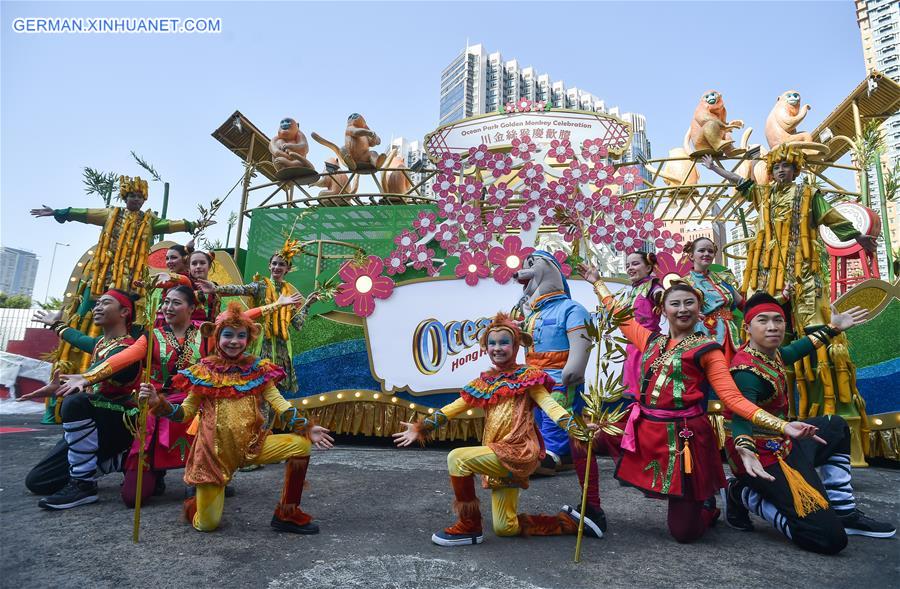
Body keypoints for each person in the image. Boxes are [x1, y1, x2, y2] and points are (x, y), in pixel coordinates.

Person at [580, 263, 823, 543]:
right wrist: (596, 283)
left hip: (684, 438)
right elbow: (620, 316)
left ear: (699, 310)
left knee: (685, 534)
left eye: (689, 303)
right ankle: (591, 510)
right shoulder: (650, 341)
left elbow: (732, 398)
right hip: (643, 428)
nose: (682, 309)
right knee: (581, 437)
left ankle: (708, 506)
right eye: (675, 304)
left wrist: (782, 425)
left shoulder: (708, 350)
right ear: (663, 310)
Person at [58, 286, 302, 507]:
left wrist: (278, 304)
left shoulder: (206, 332)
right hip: (158, 406)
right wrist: (88, 378)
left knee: (214, 420)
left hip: (196, 404)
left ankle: (210, 474)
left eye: (175, 303)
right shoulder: (151, 336)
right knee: (132, 499)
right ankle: (150, 470)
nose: (168, 307)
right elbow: (125, 357)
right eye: (165, 302)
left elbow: (241, 320)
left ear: (191, 308)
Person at [703, 147, 876, 428]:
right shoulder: (764, 194)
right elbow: (741, 183)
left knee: (813, 331)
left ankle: (825, 409)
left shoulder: (808, 195)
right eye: (777, 166)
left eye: (787, 166)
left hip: (804, 272)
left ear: (796, 170)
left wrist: (857, 236)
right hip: (768, 273)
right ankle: (771, 409)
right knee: (769, 336)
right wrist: (715, 169)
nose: (782, 170)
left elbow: (831, 217)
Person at [393, 312, 595, 545]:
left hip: (517, 451)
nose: (497, 348)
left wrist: (575, 427)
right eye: (492, 343)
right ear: (485, 347)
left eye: (504, 343)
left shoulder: (528, 378)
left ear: (516, 345)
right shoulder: (485, 383)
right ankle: (568, 522)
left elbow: (550, 406)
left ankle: (469, 526)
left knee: (457, 458)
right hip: (496, 452)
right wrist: (422, 427)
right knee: (505, 527)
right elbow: (454, 407)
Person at [138, 302, 334, 534]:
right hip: (213, 458)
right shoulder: (203, 371)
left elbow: (279, 402)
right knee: (207, 525)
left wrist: (305, 427)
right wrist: (158, 404)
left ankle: (287, 513)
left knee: (301, 446)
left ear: (248, 339)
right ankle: (196, 503)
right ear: (217, 336)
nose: (234, 341)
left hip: (252, 446)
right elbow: (185, 414)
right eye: (228, 335)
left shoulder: (258, 369)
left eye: (241, 336)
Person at [723, 292, 896, 553]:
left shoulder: (772, 354)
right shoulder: (746, 373)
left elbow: (796, 349)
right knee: (828, 539)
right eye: (763, 321)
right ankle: (741, 493)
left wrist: (833, 327)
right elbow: (741, 413)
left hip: (784, 443)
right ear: (747, 328)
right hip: (760, 460)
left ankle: (844, 511)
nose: (773, 327)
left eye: (778, 320)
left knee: (835, 426)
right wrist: (744, 446)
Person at [29, 177, 213, 382]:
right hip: (101, 279)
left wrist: (194, 224)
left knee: (134, 328)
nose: (136, 200)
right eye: (132, 196)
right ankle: (72, 366)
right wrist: (59, 212)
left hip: (131, 285)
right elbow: (85, 214)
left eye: (140, 197)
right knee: (83, 316)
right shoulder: (111, 214)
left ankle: (128, 374)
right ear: (125, 196)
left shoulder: (148, 221)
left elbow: (171, 225)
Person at [21, 290, 142, 509]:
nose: (97, 308)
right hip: (96, 422)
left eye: (105, 303)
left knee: (76, 402)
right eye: (97, 304)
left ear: (124, 311)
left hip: (121, 424)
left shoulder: (128, 349)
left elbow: (106, 366)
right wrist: (57, 325)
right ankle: (119, 461)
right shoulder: (100, 344)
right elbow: (78, 338)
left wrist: (82, 381)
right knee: (38, 481)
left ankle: (83, 485)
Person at [197, 239, 314, 399]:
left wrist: (308, 304)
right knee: (255, 388)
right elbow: (240, 289)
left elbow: (298, 324)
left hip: (281, 349)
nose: (277, 267)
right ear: (269, 266)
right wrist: (216, 288)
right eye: (274, 263)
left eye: (281, 264)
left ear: (288, 269)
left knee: (276, 392)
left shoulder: (288, 295)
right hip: (260, 343)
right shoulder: (260, 286)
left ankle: (268, 424)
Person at [682, 237, 742, 362]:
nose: (706, 254)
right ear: (692, 256)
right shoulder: (684, 283)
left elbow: (744, 304)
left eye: (710, 251)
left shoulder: (723, 278)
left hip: (732, 333)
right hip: (706, 333)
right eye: (702, 250)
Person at [619, 252, 664, 398]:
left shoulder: (652, 286)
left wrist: (665, 300)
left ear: (648, 267)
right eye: (627, 265)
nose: (630, 268)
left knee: (645, 390)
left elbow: (663, 296)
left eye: (635, 263)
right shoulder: (633, 291)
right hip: (632, 346)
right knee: (632, 392)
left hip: (648, 345)